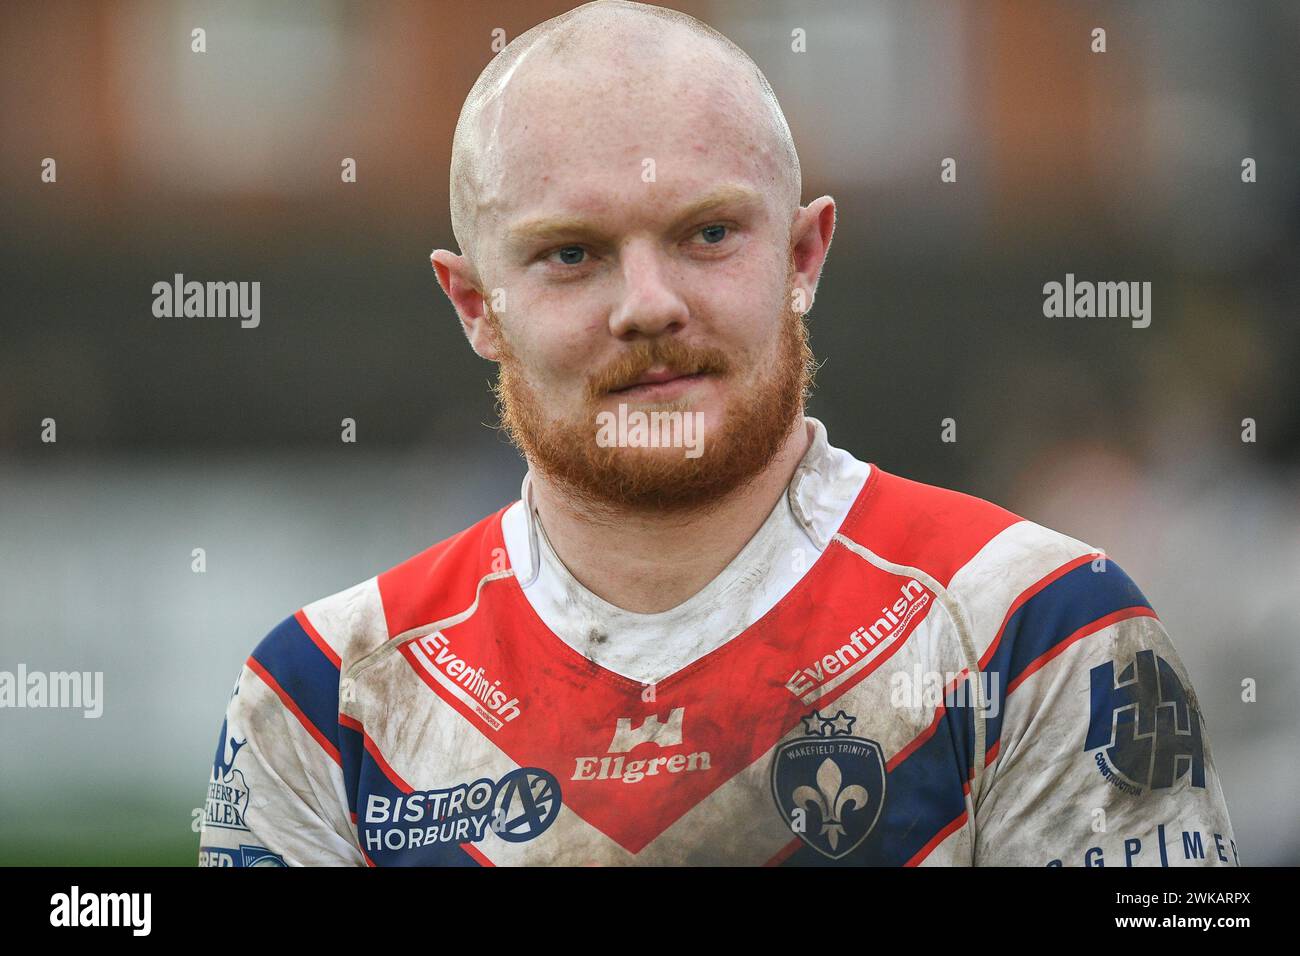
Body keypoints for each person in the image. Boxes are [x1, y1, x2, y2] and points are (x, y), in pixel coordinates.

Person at [197, 0, 1236, 867]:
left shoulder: (1043, 630)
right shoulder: (326, 693)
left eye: (706, 234)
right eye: (569, 253)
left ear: (802, 254)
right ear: (474, 303)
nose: (647, 304)